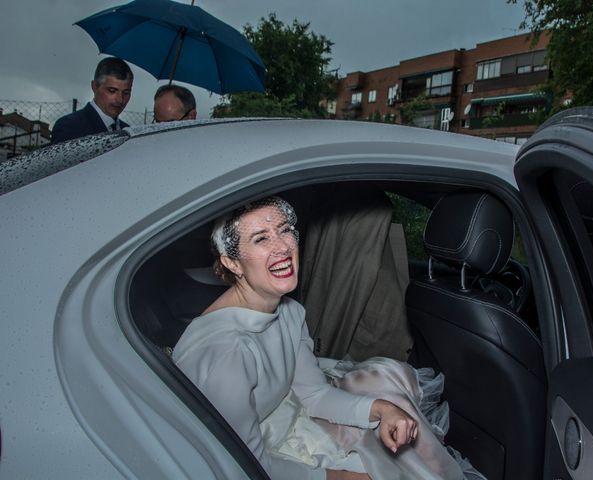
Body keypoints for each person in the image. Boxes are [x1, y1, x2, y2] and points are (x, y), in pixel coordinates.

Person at [172, 197, 484, 480]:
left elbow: (314, 395)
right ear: (232, 262)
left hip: (285, 424)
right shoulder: (226, 353)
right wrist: (337, 478)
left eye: (284, 230)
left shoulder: (290, 311)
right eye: (261, 239)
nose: (281, 246)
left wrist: (381, 409)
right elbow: (241, 466)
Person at [51, 57, 133, 144]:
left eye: (126, 93)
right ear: (95, 87)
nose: (120, 100)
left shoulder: (129, 132)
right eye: (112, 91)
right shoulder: (69, 127)